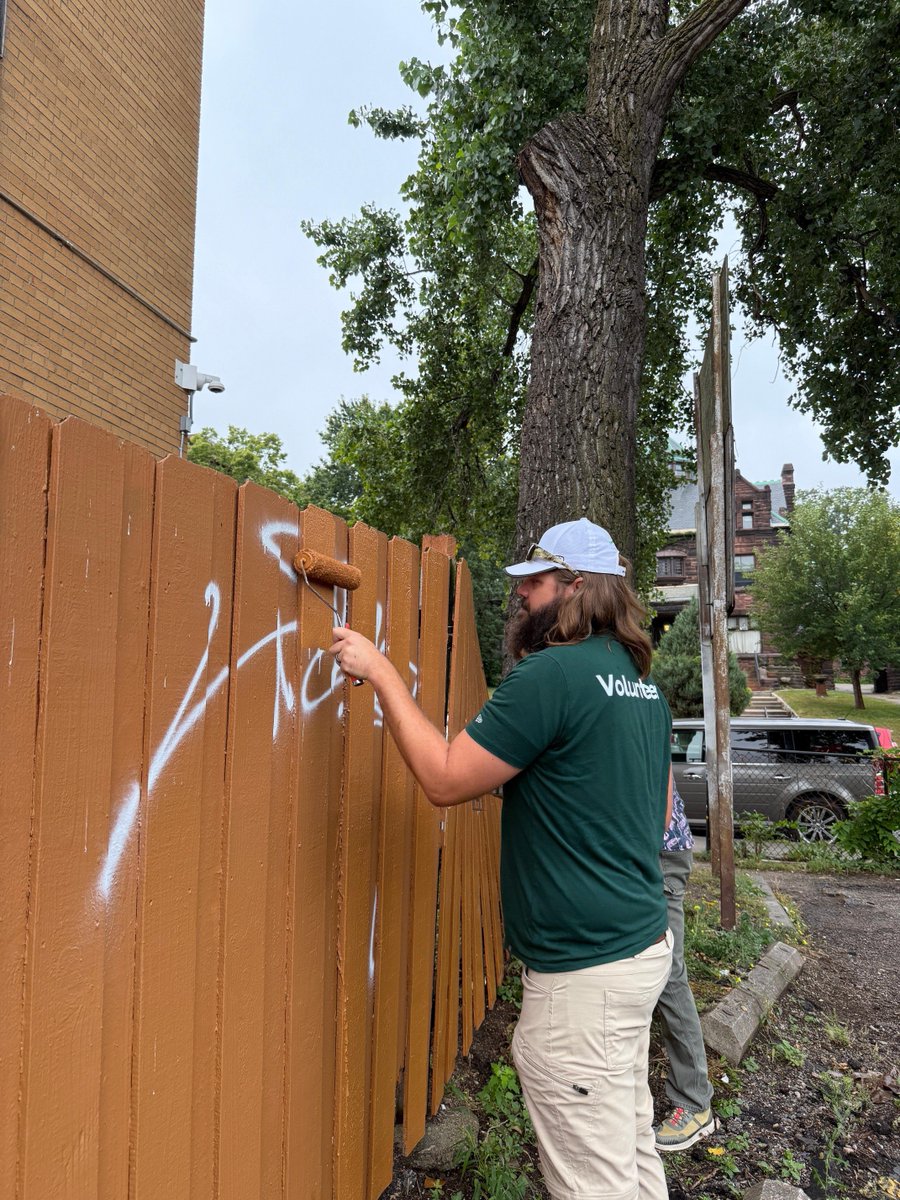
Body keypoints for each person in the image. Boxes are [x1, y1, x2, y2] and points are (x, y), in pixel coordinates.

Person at [330, 518, 674, 1200]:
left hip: (586, 976)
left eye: (536, 583)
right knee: (630, 1158)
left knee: (595, 1185)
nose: (522, 597)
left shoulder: (552, 676)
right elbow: (656, 814)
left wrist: (384, 675)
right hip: (638, 948)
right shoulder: (641, 686)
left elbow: (446, 779)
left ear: (577, 588)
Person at [653, 785, 717, 1152]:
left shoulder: (645, 725)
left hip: (658, 851)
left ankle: (695, 1103)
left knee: (667, 975)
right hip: (649, 849)